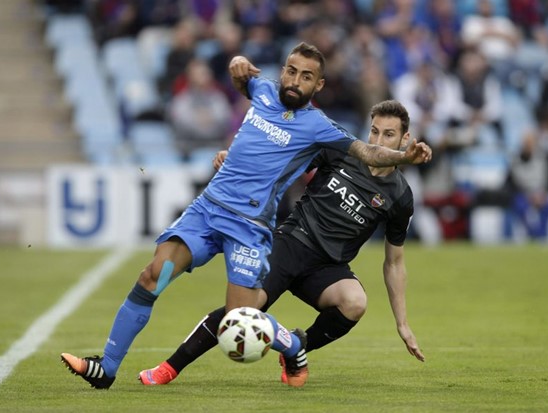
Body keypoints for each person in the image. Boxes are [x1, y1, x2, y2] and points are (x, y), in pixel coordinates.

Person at [60, 42, 432, 390]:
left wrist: (404, 158)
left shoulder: (321, 129)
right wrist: (237, 66)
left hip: (249, 228)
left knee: (238, 319)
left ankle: (290, 345)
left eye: (305, 76)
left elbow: (369, 155)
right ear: (283, 71)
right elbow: (244, 83)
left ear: (318, 85)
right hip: (209, 210)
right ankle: (107, 368)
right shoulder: (265, 90)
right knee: (152, 275)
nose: (294, 80)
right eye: (291, 70)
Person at [137, 100, 426, 387]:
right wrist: (236, 159)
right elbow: (281, 162)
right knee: (240, 313)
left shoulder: (400, 197)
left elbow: (394, 262)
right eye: (374, 131)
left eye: (389, 134)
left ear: (406, 139)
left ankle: (297, 348)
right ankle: (169, 368)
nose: (378, 140)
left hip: (327, 267)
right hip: (289, 244)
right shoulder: (341, 153)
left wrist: (402, 324)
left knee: (354, 302)